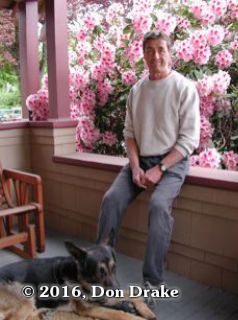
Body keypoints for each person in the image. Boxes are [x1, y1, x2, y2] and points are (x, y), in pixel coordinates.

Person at [96, 31, 200, 303]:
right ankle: (100, 274)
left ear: (170, 53)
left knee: (157, 207)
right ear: (143, 55)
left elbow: (189, 140)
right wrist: (134, 166)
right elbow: (129, 133)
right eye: (150, 50)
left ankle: (153, 283)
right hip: (139, 160)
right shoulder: (137, 90)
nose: (156, 56)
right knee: (111, 200)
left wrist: (160, 169)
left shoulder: (184, 87)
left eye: (161, 49)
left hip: (173, 162)